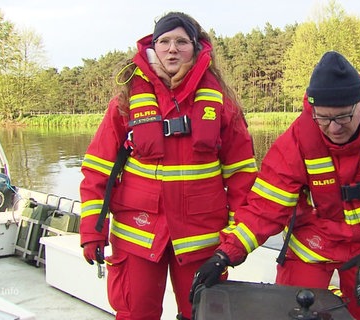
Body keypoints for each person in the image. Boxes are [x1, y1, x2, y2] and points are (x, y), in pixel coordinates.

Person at [191, 51, 360, 320]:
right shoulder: (296, 141)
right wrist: (225, 254)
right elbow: (265, 209)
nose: (333, 128)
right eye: (323, 118)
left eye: (343, 117)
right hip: (312, 246)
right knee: (287, 312)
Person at [79, 11, 258, 320]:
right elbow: (98, 169)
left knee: (201, 315)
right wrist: (93, 231)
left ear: (197, 47)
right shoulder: (126, 99)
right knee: (135, 313)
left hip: (201, 238)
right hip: (137, 234)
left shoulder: (222, 103)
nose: (172, 49)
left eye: (181, 41)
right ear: (153, 48)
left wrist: (234, 241)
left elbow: (243, 178)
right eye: (164, 41)